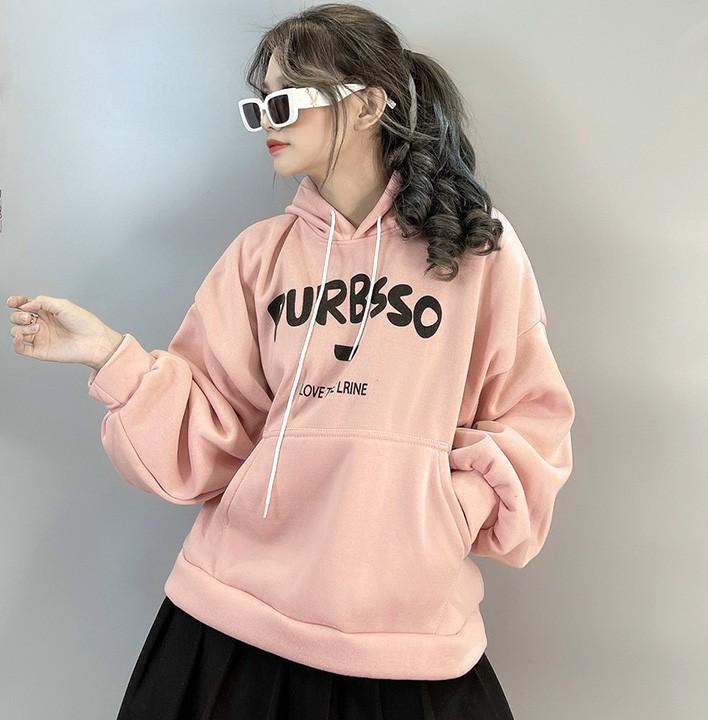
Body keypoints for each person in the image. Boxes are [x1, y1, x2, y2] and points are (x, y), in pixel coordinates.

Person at [6, 3, 576, 718]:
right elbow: (213, 436)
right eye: (258, 108)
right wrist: (108, 355)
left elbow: (532, 416)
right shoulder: (259, 257)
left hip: (408, 629)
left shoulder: (472, 249)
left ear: (367, 105)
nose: (265, 124)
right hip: (238, 611)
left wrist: (447, 512)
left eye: (283, 102)